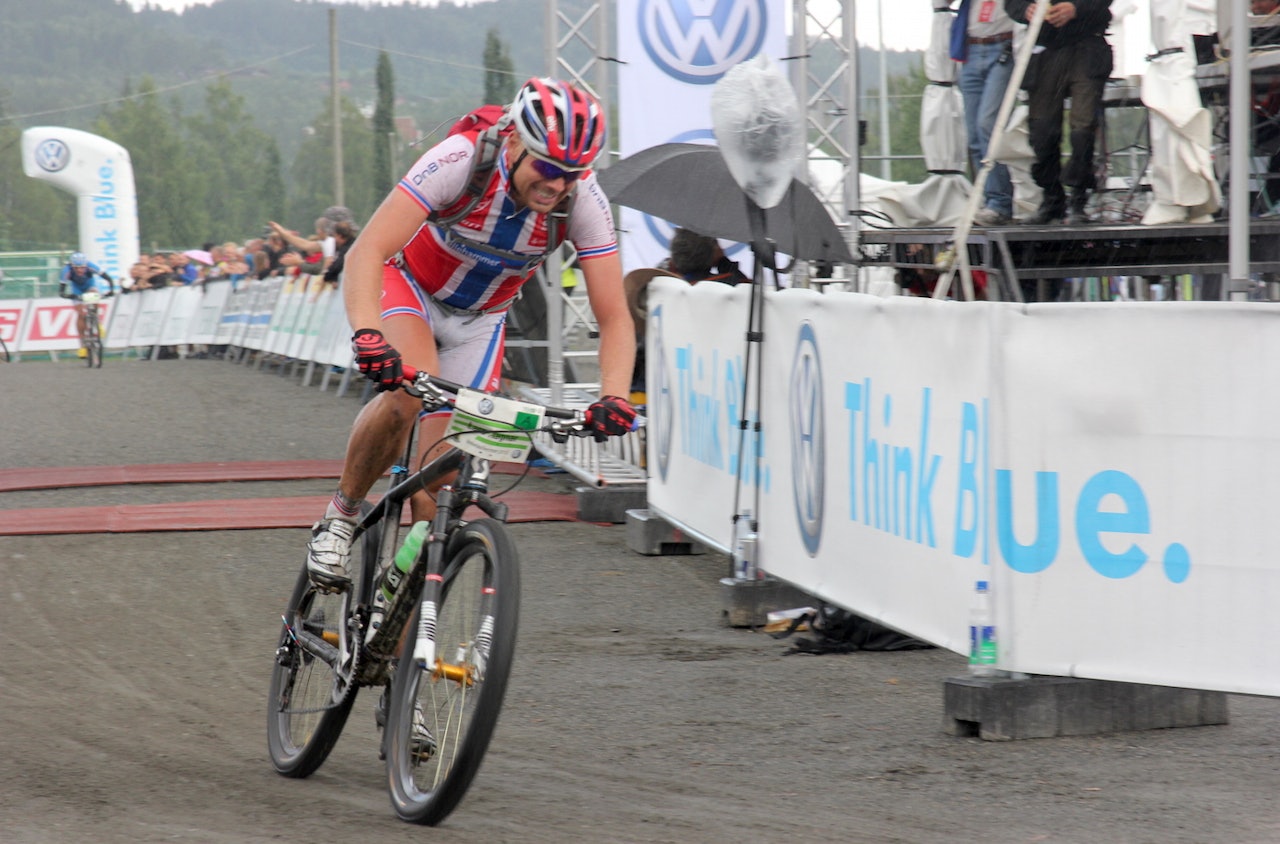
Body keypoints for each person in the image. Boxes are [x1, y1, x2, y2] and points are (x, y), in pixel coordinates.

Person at [305, 77, 637, 592]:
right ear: (512, 141)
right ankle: (340, 517)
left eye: (571, 174)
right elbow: (367, 250)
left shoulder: (584, 201)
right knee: (405, 400)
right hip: (412, 288)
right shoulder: (460, 160)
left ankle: (399, 635)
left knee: (435, 493)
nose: (557, 185)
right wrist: (368, 334)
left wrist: (612, 394)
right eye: (546, 167)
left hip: (480, 321)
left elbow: (614, 314)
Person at [1005, 0, 1113, 225]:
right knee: (1042, 131)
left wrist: (1076, 8)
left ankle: (1078, 199)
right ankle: (1052, 198)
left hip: (1087, 43)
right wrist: (1026, 10)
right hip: (1046, 49)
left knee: (1083, 128)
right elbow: (1011, 3)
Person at [951, 0, 1017, 226]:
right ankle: (990, 199)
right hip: (972, 48)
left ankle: (1000, 203)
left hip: (1003, 45)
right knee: (974, 135)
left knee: (988, 124)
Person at [58, 252, 115, 357]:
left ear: (86, 265)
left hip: (89, 286)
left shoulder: (90, 266)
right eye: (77, 268)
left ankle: (97, 322)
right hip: (77, 289)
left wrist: (111, 290)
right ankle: (83, 345)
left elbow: (108, 278)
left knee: (94, 296)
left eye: (82, 268)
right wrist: (68, 295)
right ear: (72, 266)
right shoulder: (66, 270)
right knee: (81, 314)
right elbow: (61, 292)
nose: (80, 270)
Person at [666, 228, 750, 285]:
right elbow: (749, 288)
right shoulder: (728, 285)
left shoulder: (664, 287)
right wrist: (723, 262)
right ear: (714, 255)